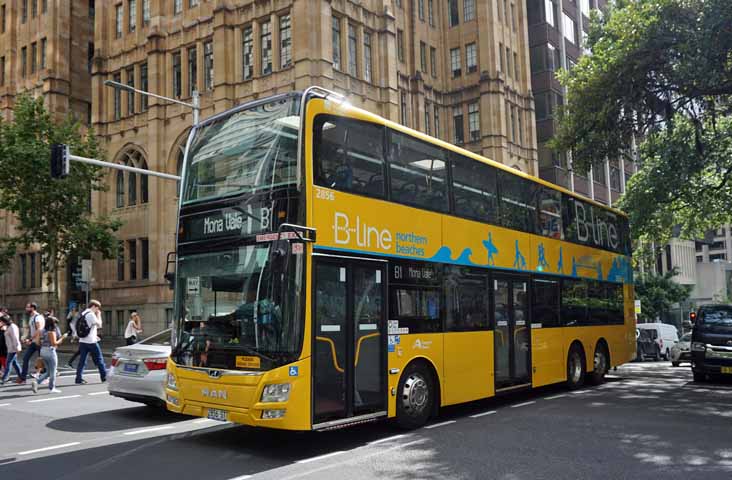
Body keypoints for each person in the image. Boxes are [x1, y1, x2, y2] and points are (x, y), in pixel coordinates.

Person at [75, 300, 107, 385]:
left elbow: (88, 327)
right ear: (93, 306)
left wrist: (95, 335)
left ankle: (78, 378)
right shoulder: (91, 314)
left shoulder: (83, 313)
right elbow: (99, 325)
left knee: (82, 361)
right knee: (100, 359)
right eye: (97, 308)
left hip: (82, 341)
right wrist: (99, 315)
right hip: (91, 342)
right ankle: (104, 377)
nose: (97, 310)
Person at [31, 316, 66, 394]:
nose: (56, 325)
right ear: (53, 324)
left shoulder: (41, 331)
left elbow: (37, 342)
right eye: (55, 323)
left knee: (49, 371)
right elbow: (54, 343)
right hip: (50, 351)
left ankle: (37, 382)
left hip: (42, 350)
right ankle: (52, 388)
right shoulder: (51, 332)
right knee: (53, 371)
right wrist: (62, 338)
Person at [18, 302, 45, 384]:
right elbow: (32, 330)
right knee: (25, 358)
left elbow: (39, 329)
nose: (26, 309)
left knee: (42, 360)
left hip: (40, 342)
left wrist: (30, 339)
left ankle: (44, 377)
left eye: (28, 307)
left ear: (32, 308)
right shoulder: (31, 317)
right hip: (34, 342)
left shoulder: (37, 317)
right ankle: (23, 379)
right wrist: (26, 338)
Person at [0, 314, 22, 385]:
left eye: (1, 321)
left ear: (5, 321)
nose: (1, 322)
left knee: (8, 363)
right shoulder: (9, 327)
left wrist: (17, 348)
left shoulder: (12, 327)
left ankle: (4, 378)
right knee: (15, 364)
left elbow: (15, 338)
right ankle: (21, 376)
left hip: (13, 349)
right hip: (10, 348)